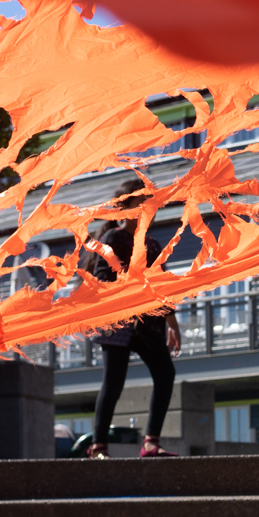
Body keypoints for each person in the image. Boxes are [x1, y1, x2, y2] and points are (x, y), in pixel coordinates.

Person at [82, 190, 179, 458]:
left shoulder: (154, 244)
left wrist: (172, 321)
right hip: (120, 323)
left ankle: (150, 443)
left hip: (148, 324)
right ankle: (98, 446)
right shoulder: (113, 238)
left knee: (165, 374)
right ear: (125, 209)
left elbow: (161, 285)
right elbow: (103, 276)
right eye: (140, 204)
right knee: (113, 382)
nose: (147, 209)